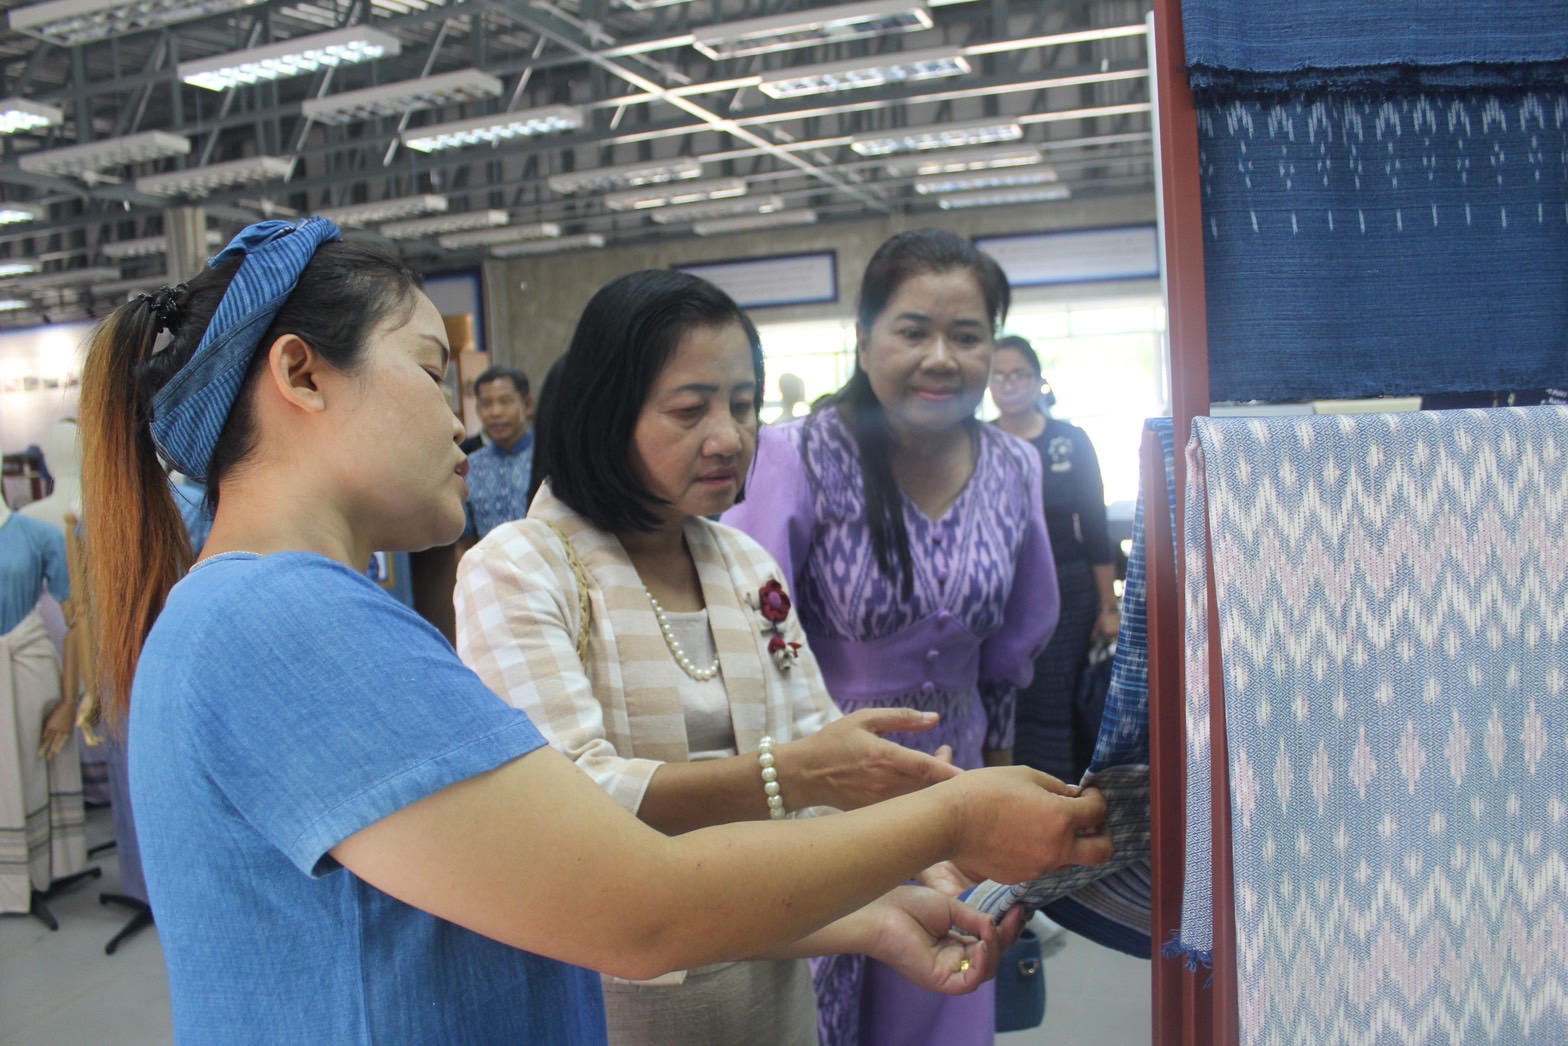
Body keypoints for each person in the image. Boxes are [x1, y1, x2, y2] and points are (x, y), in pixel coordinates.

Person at [74, 217, 1111, 1042]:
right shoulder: (289, 622)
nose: (460, 418)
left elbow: (516, 896)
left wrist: (872, 910)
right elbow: (638, 906)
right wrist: (946, 818)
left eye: (742, 406)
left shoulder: (255, 611)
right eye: (432, 372)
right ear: (301, 375)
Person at [457, 270, 993, 1044]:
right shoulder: (520, 569)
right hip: (616, 1006)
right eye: (689, 410)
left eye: (744, 406)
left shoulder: (745, 567)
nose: (730, 436)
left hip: (771, 989)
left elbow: (817, 755)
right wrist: (795, 774)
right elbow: (572, 804)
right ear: (607, 414)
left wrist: (915, 835)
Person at [724, 228, 1061, 1046]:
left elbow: (1017, 645)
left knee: (946, 997)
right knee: (830, 1006)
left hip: (963, 791)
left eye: (967, 335)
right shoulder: (796, 457)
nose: (940, 357)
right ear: (865, 338)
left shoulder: (1014, 467)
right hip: (828, 793)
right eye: (913, 331)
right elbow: (750, 633)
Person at [989, 336, 1119, 780]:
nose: (1008, 384)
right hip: (999, 592)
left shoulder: (1070, 440)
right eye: (998, 375)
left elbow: (1095, 525)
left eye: (1018, 374)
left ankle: (1064, 805)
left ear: (1038, 380)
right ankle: (1010, 800)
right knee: (1007, 695)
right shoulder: (978, 442)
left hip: (1068, 587)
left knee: (1058, 698)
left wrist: (1108, 606)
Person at [462, 364, 535, 540]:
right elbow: (465, 540)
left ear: (527, 405)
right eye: (486, 404)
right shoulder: (469, 467)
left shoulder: (552, 457)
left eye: (505, 401)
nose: (495, 412)